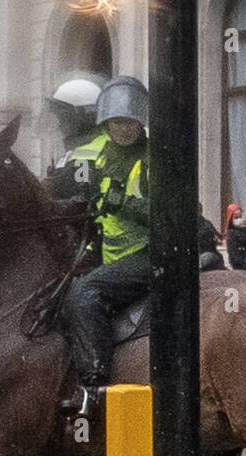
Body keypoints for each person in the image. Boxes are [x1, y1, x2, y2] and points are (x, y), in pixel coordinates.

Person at [60, 75, 151, 416]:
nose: (123, 129)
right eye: (116, 122)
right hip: (106, 251)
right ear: (105, 123)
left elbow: (169, 214)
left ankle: (94, 386)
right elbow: (81, 189)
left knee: (84, 294)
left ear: (139, 122)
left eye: (129, 122)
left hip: (147, 255)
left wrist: (122, 202)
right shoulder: (98, 153)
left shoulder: (151, 157)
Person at [45, 74, 108, 201]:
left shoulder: (84, 159)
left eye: (64, 118)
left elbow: (80, 204)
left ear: (82, 120)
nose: (59, 125)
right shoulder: (80, 149)